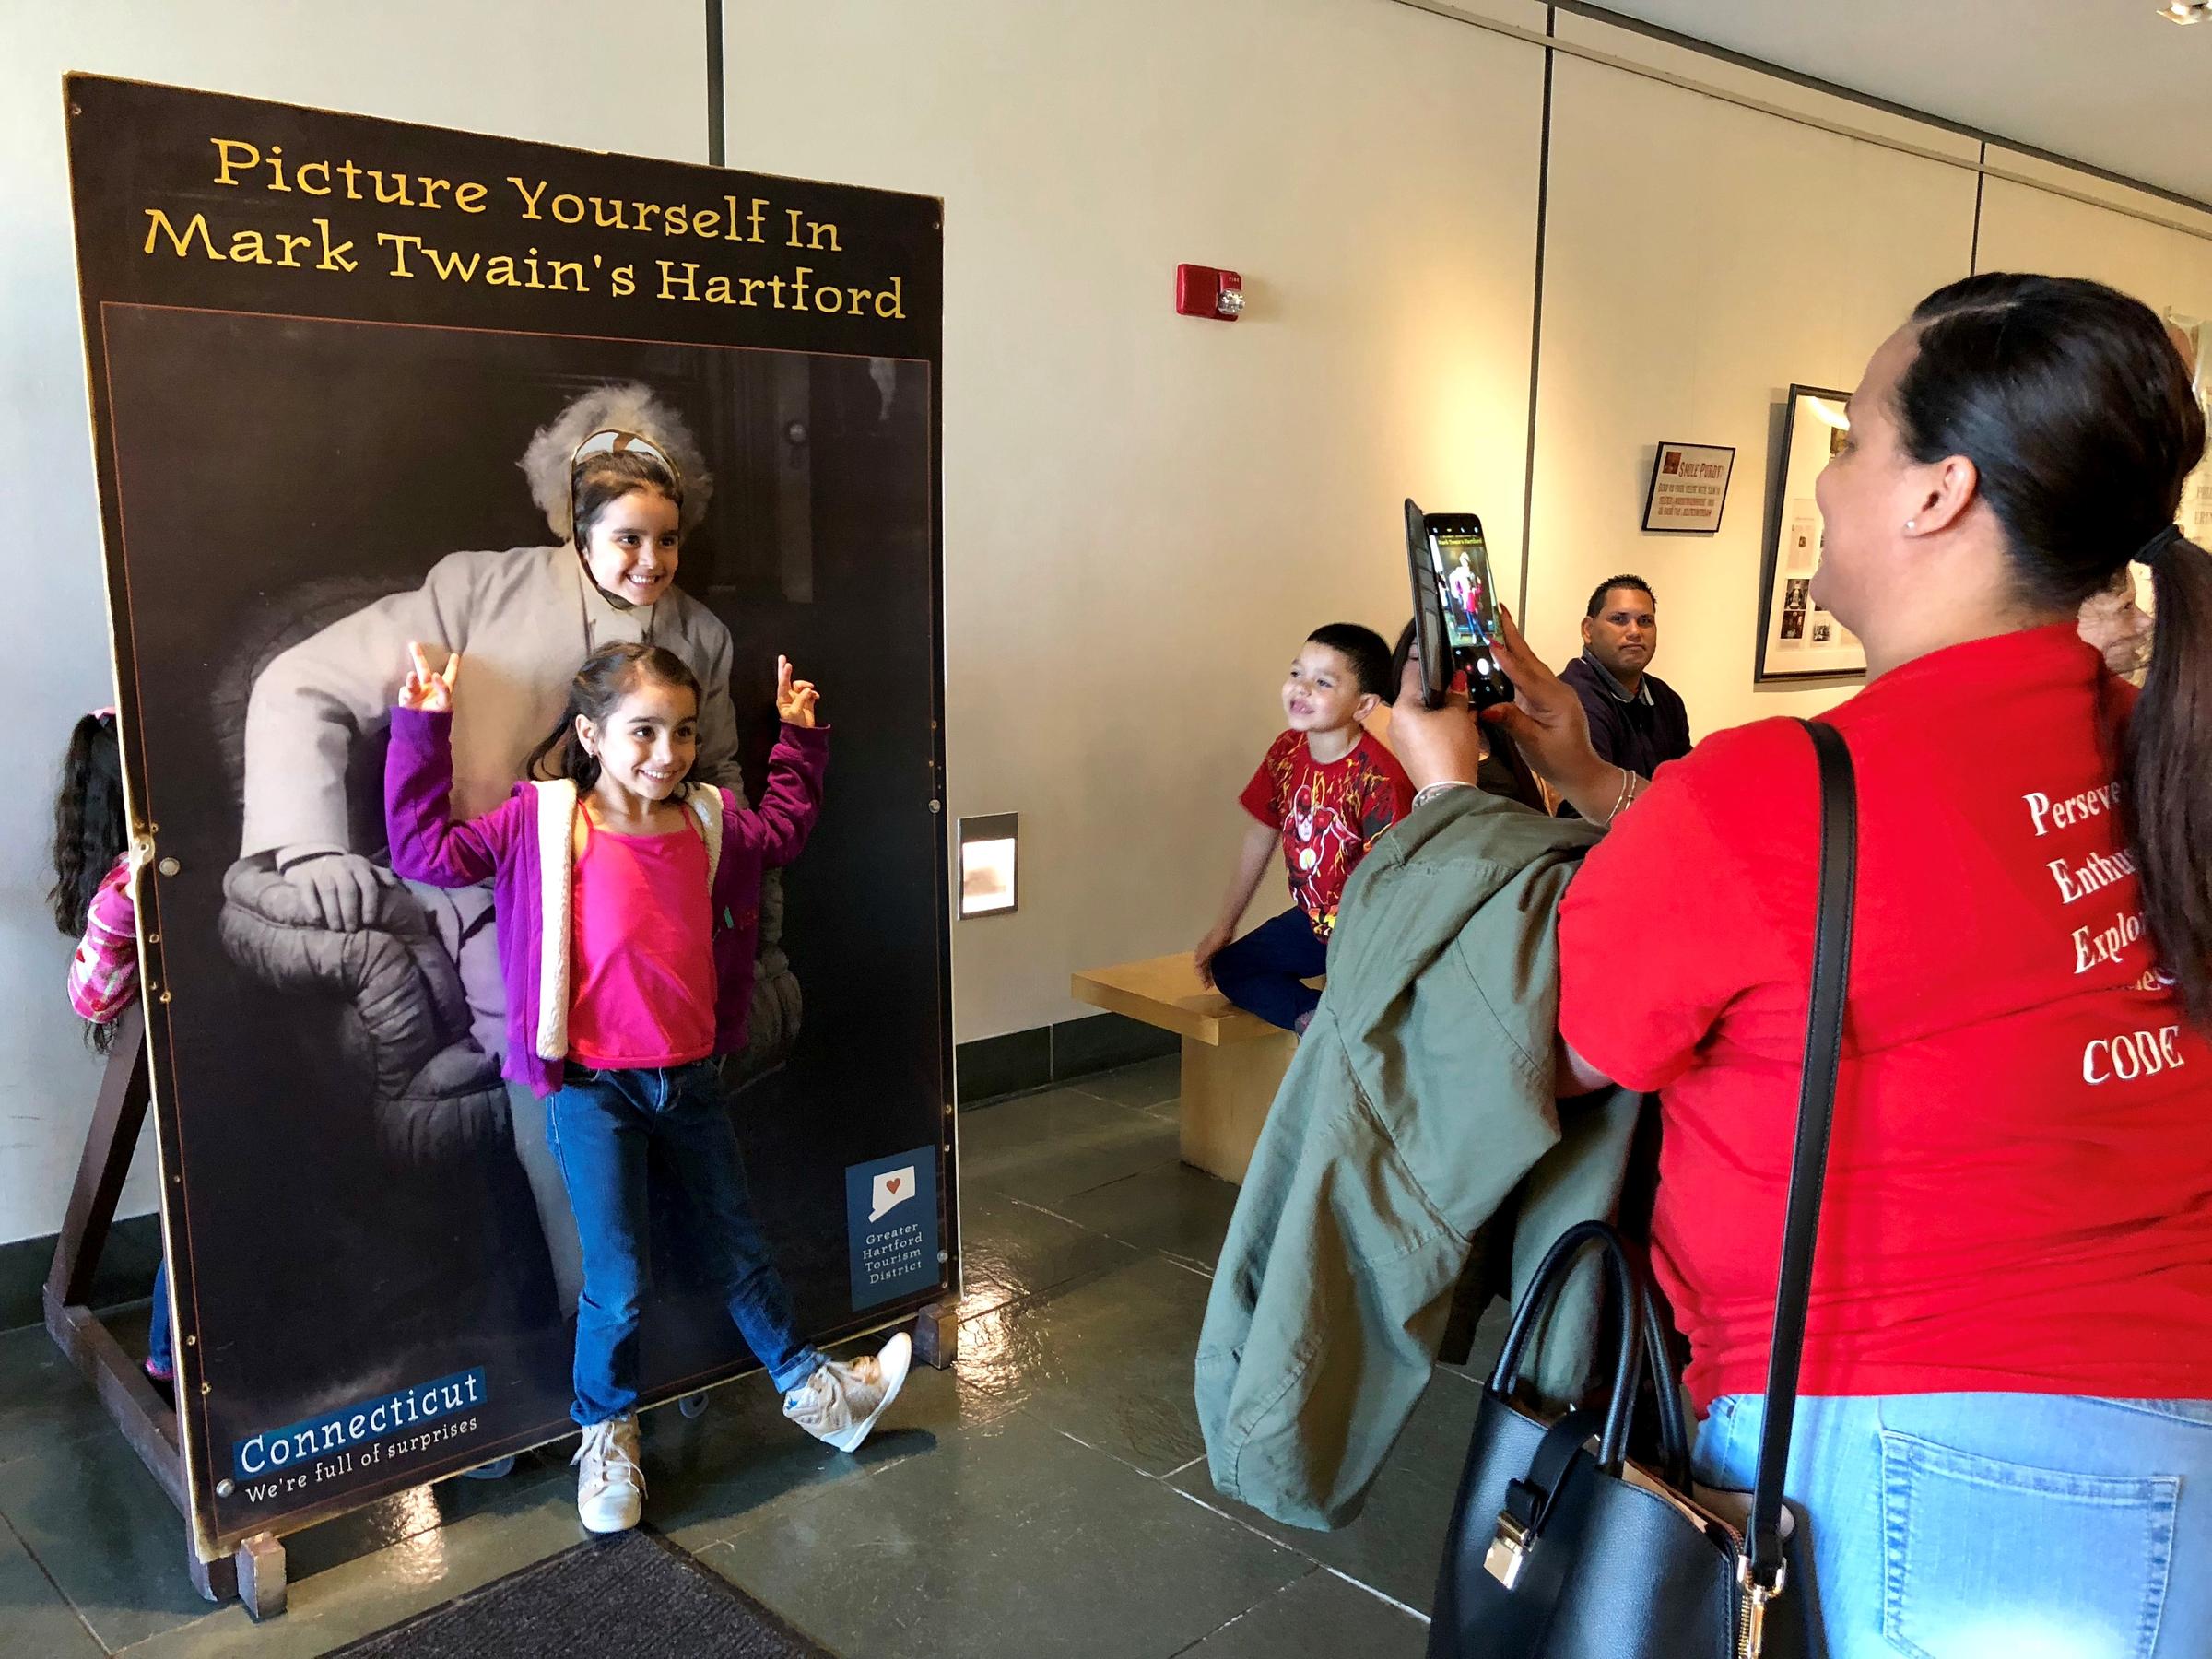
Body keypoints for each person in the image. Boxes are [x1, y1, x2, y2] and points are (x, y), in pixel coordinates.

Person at [1388, 273, 2212, 1655]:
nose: (1826, 483)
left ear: (1939, 492)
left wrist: (1443, 802)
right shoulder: (2170, 757)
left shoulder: (1776, 789)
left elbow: (1570, 1049)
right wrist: (1591, 775)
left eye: (1852, 439)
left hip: (1916, 1457)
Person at [384, 640, 908, 1535]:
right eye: (642, 732)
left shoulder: (706, 820)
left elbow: (784, 830)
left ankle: (817, 1395)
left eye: (682, 732)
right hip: (592, 1095)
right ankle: (605, 1439)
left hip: (692, 1082)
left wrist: (798, 739)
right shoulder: (542, 825)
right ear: (590, 733)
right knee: (617, 1284)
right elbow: (424, 852)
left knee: (741, 1251)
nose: (666, 753)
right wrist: (422, 724)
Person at [1195, 625, 1412, 1033]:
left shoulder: (1378, 777)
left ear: (1364, 705)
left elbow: (1388, 881)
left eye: (1323, 682)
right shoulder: (1286, 752)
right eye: (1297, 674)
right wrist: (1224, 926)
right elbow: (1261, 834)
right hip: (1314, 923)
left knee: (1373, 993)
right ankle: (1316, 1020)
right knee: (1232, 968)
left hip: (1367, 930)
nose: (1302, 689)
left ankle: (1350, 1013)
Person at [49, 710, 170, 1396]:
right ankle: (167, 1357)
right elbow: (89, 995)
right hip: (183, 1049)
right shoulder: (127, 885)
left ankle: (170, 1355)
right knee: (201, 1213)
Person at [1557, 576, 1692, 782]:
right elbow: (1589, 805)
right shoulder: (1571, 700)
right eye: (1619, 619)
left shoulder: (1666, 699)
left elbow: (1687, 780)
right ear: (1588, 630)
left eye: (1645, 621)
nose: (1635, 632)